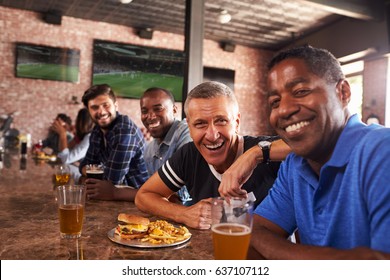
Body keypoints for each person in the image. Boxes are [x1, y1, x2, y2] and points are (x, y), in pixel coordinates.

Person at [219, 45, 390, 259]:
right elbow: (255, 231)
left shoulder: (382, 150)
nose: (284, 109)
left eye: (300, 91)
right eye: (275, 102)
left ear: (343, 93)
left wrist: (270, 244)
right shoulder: (295, 165)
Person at [135, 81, 291, 229]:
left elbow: (314, 143)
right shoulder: (189, 155)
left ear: (236, 123)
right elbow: (144, 196)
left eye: (221, 121)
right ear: (189, 127)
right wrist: (183, 213)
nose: (211, 135)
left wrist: (255, 154)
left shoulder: (268, 151)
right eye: (200, 124)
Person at [79, 84, 149, 201]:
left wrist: (95, 171)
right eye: (95, 107)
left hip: (139, 199)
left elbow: (111, 181)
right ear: (89, 111)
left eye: (106, 105)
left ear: (115, 106)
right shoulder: (97, 131)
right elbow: (85, 164)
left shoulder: (124, 131)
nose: (101, 112)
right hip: (116, 196)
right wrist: (91, 170)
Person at [140, 87, 192, 204]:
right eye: (144, 111)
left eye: (158, 109)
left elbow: (180, 197)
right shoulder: (149, 150)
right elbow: (155, 195)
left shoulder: (186, 132)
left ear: (174, 110)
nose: (150, 116)